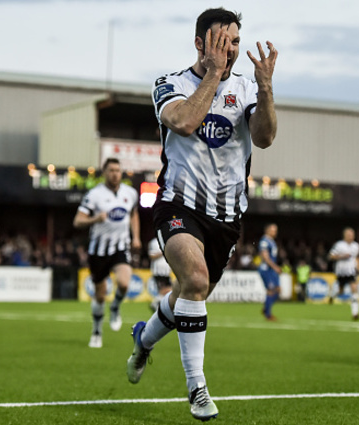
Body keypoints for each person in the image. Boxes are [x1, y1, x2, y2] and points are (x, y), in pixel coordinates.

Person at [126, 7, 278, 421]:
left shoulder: (246, 88)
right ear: (199, 43)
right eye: (221, 42)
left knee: (190, 295)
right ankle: (197, 390)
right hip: (178, 203)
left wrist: (265, 89)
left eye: (234, 43)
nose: (230, 50)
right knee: (194, 279)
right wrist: (212, 75)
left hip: (226, 216)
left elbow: (263, 138)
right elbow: (185, 122)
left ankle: (144, 339)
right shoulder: (169, 84)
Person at [73, 158, 141, 348]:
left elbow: (134, 214)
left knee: (124, 283)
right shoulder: (94, 195)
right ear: (104, 172)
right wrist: (95, 219)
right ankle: (96, 332)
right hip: (99, 249)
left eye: (118, 170)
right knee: (100, 295)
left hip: (121, 246)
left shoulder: (130, 193)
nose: (115, 174)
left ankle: (116, 307)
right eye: (111, 170)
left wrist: (136, 237)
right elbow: (77, 221)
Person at [328, 227, 359, 320]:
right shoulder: (339, 245)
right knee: (341, 291)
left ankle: (355, 313)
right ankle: (332, 296)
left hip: (351, 271)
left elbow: (357, 258)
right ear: (344, 235)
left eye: (352, 235)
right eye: (349, 235)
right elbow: (331, 256)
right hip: (341, 272)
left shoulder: (356, 246)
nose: (351, 236)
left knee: (354, 289)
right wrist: (342, 256)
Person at [258, 223, 282, 321]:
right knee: (271, 290)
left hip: (271, 270)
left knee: (278, 290)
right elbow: (265, 257)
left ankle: (266, 308)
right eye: (273, 230)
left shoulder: (272, 241)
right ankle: (268, 314)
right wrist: (275, 267)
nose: (275, 232)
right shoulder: (264, 241)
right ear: (267, 230)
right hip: (266, 269)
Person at [148, 237, 172, 312]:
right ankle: (155, 302)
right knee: (166, 289)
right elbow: (151, 255)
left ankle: (158, 305)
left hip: (166, 271)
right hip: (158, 270)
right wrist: (163, 252)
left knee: (167, 290)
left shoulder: (168, 240)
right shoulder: (153, 242)